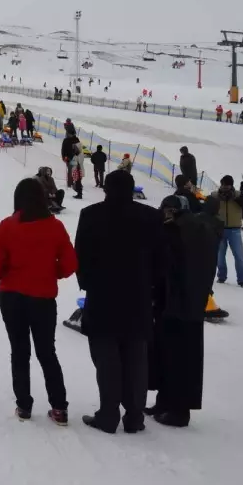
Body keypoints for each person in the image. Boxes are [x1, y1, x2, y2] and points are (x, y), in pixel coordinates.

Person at [74, 171, 165, 434]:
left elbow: (81, 257)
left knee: (106, 360)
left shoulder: (91, 215)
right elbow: (161, 261)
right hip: (138, 299)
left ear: (106, 189)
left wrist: (89, 284)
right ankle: (135, 417)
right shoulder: (151, 217)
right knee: (137, 359)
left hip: (102, 298)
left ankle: (108, 415)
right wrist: (149, 287)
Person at [0, 178, 77, 423]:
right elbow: (69, 265)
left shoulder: (6, 227)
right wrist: (50, 273)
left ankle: (24, 406)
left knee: (19, 351)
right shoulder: (55, 227)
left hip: (12, 298)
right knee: (47, 352)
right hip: (43, 299)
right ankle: (59, 407)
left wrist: (7, 270)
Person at [149, 195, 219, 427]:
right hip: (192, 303)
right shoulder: (201, 229)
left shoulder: (175, 232)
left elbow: (164, 267)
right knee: (180, 357)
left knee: (174, 357)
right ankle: (167, 403)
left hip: (173, 303)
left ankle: (177, 411)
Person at [206, 175, 243, 286]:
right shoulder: (214, 195)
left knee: (239, 256)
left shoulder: (238, 195)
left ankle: (241, 279)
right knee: (220, 256)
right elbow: (207, 209)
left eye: (227, 185)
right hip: (219, 229)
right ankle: (221, 277)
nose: (224, 187)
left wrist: (237, 199)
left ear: (231, 185)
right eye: (223, 185)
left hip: (235, 230)